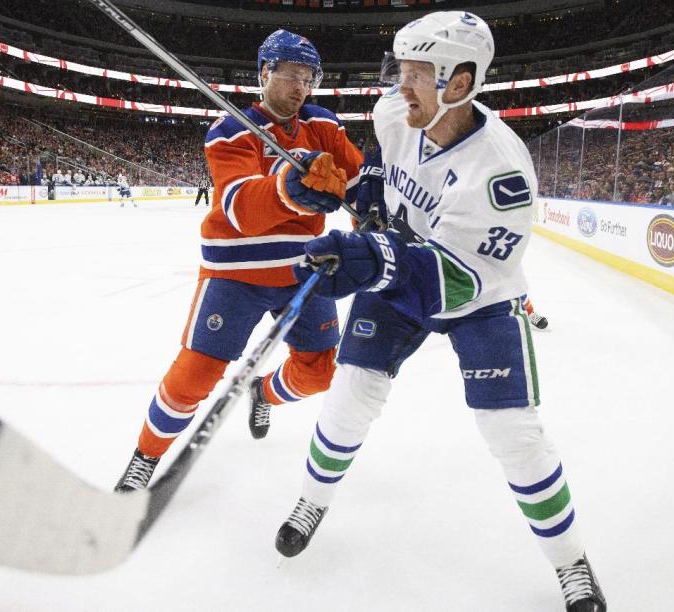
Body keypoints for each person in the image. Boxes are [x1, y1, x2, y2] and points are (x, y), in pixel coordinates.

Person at [273, 13, 606, 612]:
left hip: (477, 296)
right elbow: (382, 169)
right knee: (350, 394)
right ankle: (311, 500)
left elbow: (450, 282)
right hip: (401, 265)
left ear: (459, 83)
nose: (401, 87)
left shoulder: (502, 173)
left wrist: (370, 257)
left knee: (513, 432)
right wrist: (351, 190)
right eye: (401, 72)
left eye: (417, 76)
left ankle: (571, 562)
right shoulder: (397, 112)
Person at [112, 29, 363, 490]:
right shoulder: (230, 128)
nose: (300, 87)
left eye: (308, 78)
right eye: (290, 74)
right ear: (264, 72)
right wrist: (291, 186)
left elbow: (358, 176)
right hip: (236, 273)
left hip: (304, 268)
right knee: (195, 376)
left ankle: (262, 391)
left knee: (320, 372)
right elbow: (240, 209)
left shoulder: (324, 124)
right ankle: (146, 455)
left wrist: (370, 209)